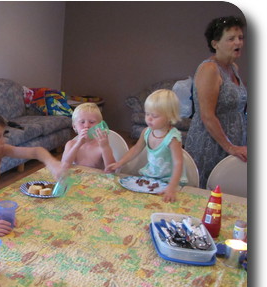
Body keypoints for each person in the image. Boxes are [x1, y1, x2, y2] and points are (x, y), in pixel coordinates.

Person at [185, 16, 247, 188]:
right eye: (231, 39)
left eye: (240, 38)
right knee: (209, 194)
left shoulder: (234, 68)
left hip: (234, 142)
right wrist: (229, 147)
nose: (238, 43)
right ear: (215, 44)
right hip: (211, 144)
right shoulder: (209, 69)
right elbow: (207, 115)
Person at [105, 89, 186, 202]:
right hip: (151, 179)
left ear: (169, 117)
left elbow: (179, 163)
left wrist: (172, 187)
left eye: (155, 116)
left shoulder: (172, 138)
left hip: (170, 181)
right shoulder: (146, 132)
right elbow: (135, 149)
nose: (149, 118)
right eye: (147, 114)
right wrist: (119, 163)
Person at [61, 102, 116, 170]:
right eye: (82, 122)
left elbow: (112, 170)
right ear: (74, 126)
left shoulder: (101, 146)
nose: (87, 126)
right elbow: (63, 166)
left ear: (100, 125)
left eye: (92, 122)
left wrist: (105, 147)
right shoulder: (71, 144)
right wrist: (78, 145)